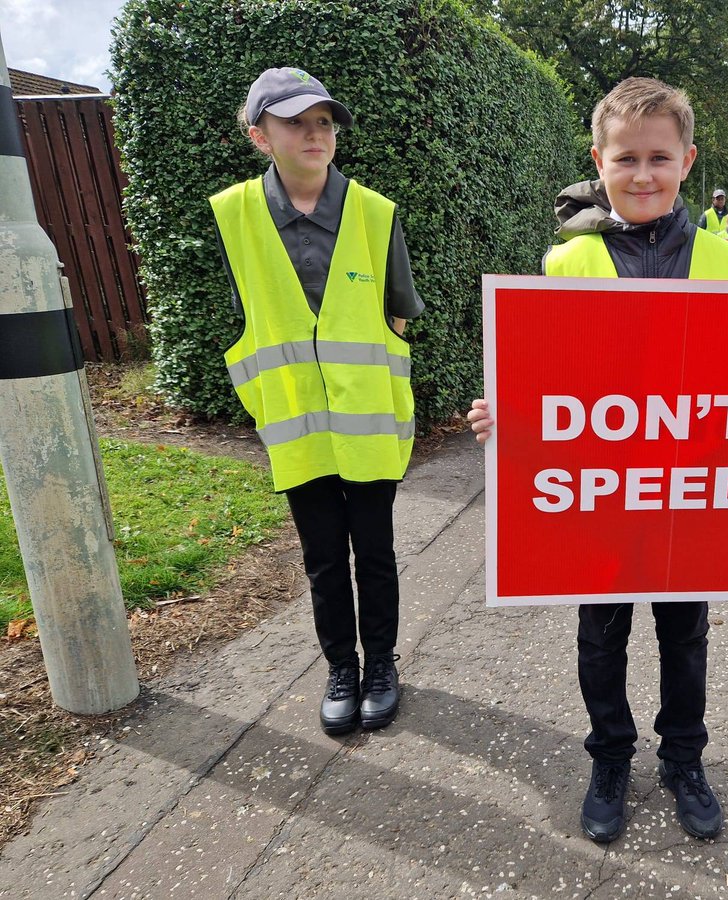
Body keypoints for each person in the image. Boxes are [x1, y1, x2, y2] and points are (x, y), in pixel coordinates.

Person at [467, 77, 728, 844]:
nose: (641, 174)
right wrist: (503, 415)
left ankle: (683, 758)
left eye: (658, 158)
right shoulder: (566, 262)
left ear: (687, 161)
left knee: (684, 632)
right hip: (602, 497)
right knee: (600, 633)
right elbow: (547, 378)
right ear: (598, 160)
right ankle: (609, 759)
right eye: (625, 158)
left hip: (692, 494)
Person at [210, 67, 424, 736]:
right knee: (324, 557)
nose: (314, 133)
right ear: (259, 136)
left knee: (376, 551)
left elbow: (400, 317)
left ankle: (381, 666)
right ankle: (342, 666)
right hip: (298, 428)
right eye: (295, 121)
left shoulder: (375, 212)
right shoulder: (235, 215)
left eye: (324, 121)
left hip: (367, 427)